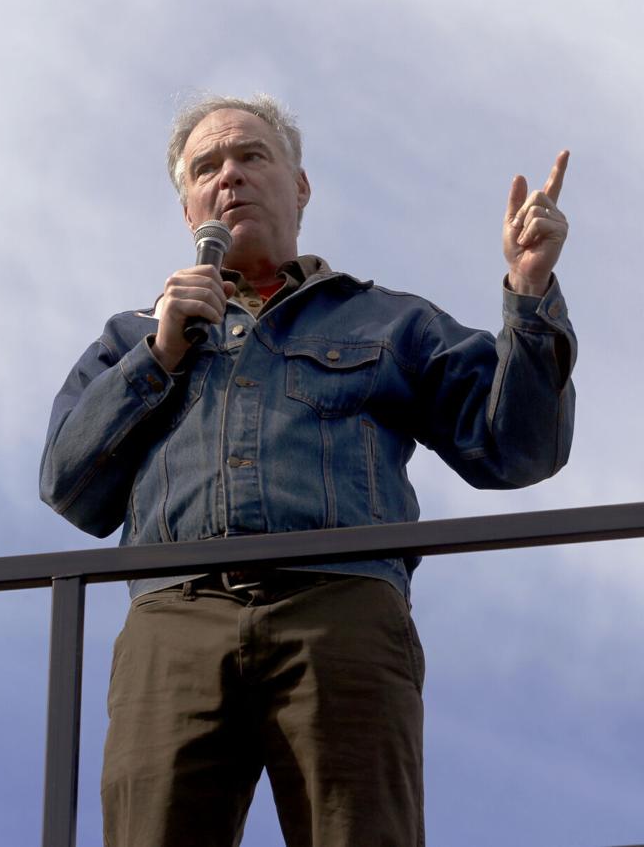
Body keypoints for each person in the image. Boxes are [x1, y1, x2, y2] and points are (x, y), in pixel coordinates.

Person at [39, 93, 575, 846]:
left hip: (341, 611)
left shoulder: (388, 321)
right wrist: (158, 356)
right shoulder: (134, 337)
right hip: (174, 621)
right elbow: (68, 487)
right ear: (190, 205)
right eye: (207, 167)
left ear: (300, 186)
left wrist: (528, 291)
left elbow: (518, 448)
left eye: (251, 156)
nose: (229, 176)